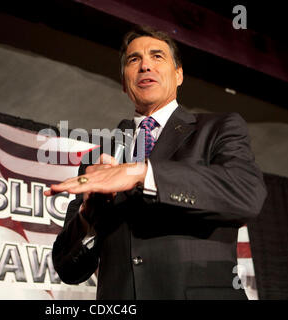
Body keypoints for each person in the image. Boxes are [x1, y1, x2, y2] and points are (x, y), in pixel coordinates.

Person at [44, 25, 267, 299]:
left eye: (157, 56)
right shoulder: (99, 158)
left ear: (179, 74)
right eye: (133, 59)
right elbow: (67, 269)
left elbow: (246, 194)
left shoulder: (219, 127)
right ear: (125, 83)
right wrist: (88, 218)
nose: (145, 65)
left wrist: (143, 172)